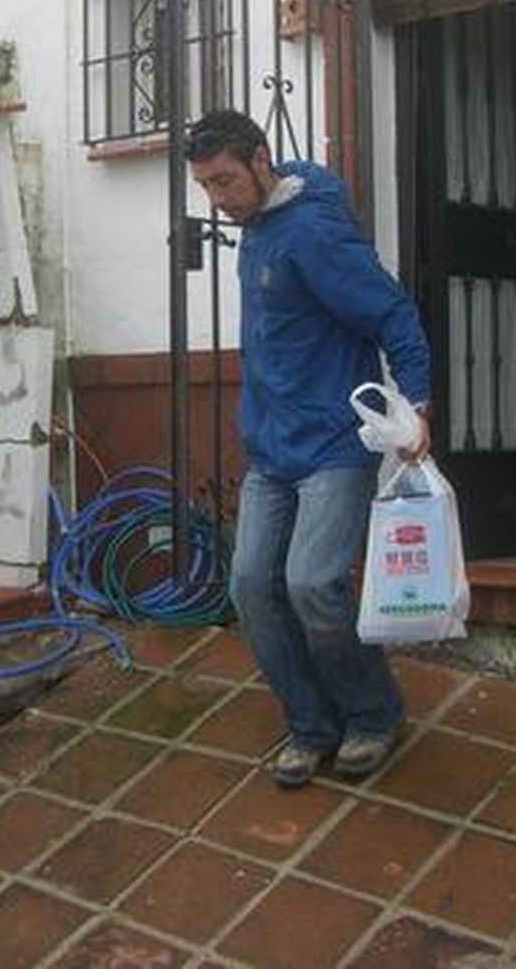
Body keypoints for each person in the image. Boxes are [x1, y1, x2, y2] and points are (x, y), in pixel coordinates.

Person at [183, 108, 432, 787]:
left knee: (311, 583)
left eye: (225, 181)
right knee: (249, 585)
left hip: (332, 444)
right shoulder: (258, 226)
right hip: (271, 448)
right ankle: (311, 724)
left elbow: (391, 312)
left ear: (261, 160)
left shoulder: (313, 233)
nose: (217, 199)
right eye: (205, 186)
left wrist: (417, 403)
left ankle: (372, 715)